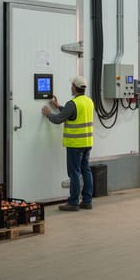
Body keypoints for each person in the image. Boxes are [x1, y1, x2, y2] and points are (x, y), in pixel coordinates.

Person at [42, 75, 94, 211]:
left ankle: (73, 202)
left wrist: (48, 114)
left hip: (75, 144)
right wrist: (58, 106)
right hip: (87, 143)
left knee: (74, 173)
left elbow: (59, 119)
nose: (70, 87)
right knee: (86, 171)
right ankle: (87, 201)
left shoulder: (73, 103)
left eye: (71, 85)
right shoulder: (89, 101)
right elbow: (72, 114)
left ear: (75, 88)